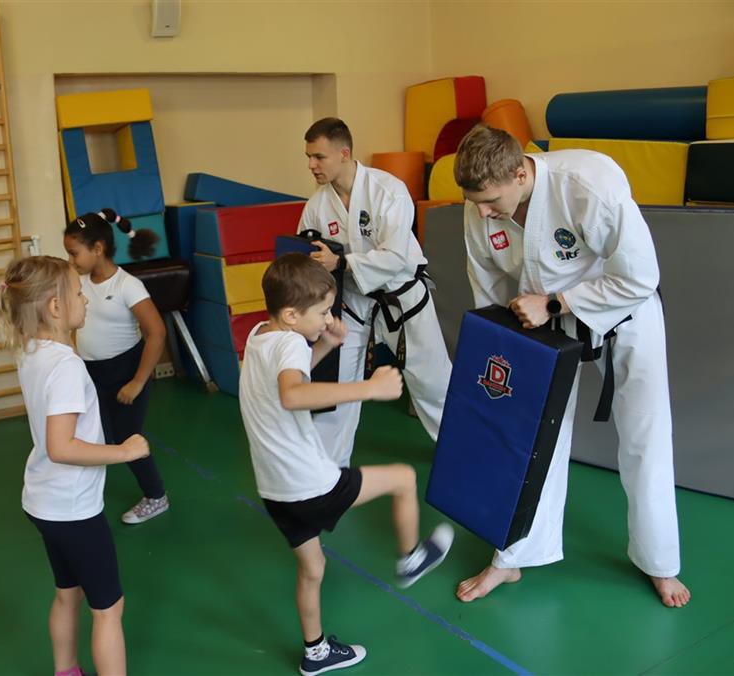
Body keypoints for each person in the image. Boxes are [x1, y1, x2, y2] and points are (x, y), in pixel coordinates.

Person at [452, 124, 690, 608]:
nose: (483, 213)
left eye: (491, 201)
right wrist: (507, 344)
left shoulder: (588, 183)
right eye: (475, 202)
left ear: (520, 174)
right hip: (543, 322)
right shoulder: (480, 206)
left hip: (624, 314)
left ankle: (659, 562)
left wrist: (554, 302)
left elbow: (640, 276)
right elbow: (489, 286)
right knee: (531, 435)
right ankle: (513, 555)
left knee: (645, 436)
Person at [239, 253, 454, 676]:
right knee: (403, 478)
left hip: (275, 491)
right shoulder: (289, 343)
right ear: (291, 314)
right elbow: (292, 394)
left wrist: (324, 344)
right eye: (322, 313)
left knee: (312, 568)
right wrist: (369, 388)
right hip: (309, 486)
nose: (328, 319)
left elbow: (289, 376)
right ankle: (410, 558)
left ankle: (315, 652)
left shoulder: (261, 335)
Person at [0, 255, 150, 676]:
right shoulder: (64, 366)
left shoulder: (33, 351)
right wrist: (124, 452)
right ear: (55, 307)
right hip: (73, 508)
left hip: (45, 502)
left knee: (68, 592)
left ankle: (66, 671)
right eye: (79, 294)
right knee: (109, 608)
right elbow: (61, 446)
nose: (86, 299)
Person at [299, 117, 452, 467]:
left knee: (433, 383)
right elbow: (308, 257)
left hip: (403, 300)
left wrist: (341, 262)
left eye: (319, 157)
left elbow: (396, 256)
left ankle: (462, 453)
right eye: (308, 157)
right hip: (353, 304)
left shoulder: (388, 191)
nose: (311, 165)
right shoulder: (316, 206)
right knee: (338, 384)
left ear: (344, 153)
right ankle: (327, 466)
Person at [63, 210, 170, 524]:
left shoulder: (127, 285)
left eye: (74, 253)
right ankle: (85, 493)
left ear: (97, 248)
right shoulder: (79, 282)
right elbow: (75, 324)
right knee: (93, 434)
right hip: (91, 372)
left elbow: (156, 333)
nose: (70, 260)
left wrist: (138, 381)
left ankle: (156, 495)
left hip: (125, 372)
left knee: (126, 436)